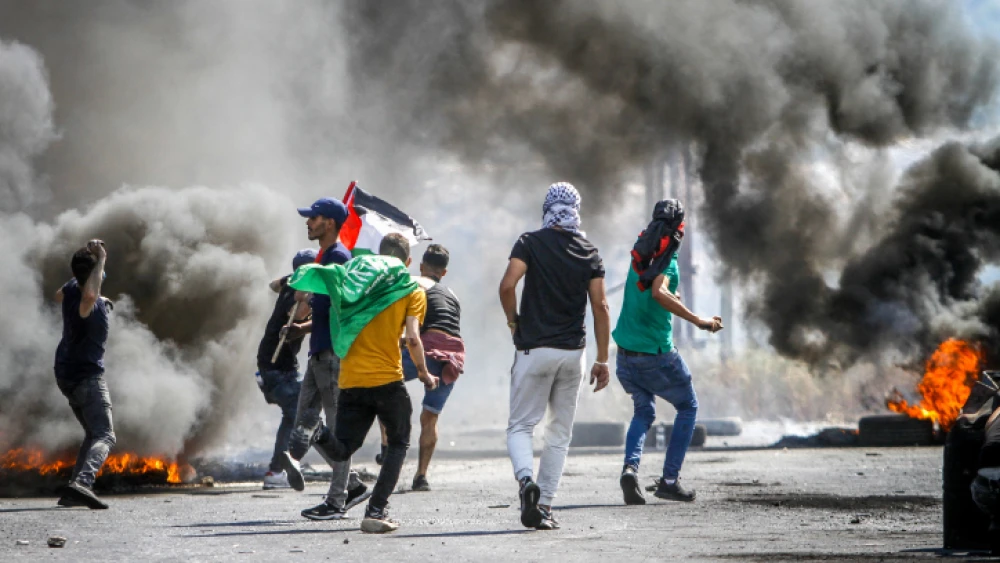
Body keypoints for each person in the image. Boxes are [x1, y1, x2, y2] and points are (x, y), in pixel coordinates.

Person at [295, 233, 438, 534]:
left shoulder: (356, 284)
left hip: (351, 379)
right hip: (387, 381)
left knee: (342, 449)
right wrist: (424, 373)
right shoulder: (411, 289)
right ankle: (376, 510)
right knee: (398, 443)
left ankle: (317, 430)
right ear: (407, 261)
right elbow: (413, 338)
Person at [498, 182, 611, 531]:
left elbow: (507, 286)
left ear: (546, 209)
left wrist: (513, 322)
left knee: (521, 425)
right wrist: (603, 359)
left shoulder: (529, 242)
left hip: (534, 349)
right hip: (573, 354)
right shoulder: (589, 251)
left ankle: (525, 481)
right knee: (559, 433)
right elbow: (601, 306)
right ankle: (544, 506)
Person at [612, 199, 723, 506]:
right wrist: (699, 321)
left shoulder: (640, 253)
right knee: (688, 406)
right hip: (656, 356)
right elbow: (659, 293)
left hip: (625, 355)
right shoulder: (668, 261)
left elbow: (654, 289)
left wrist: (672, 294)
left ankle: (630, 469)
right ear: (679, 229)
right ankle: (670, 481)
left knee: (644, 411)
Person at [279, 198, 369, 520]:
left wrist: (307, 295)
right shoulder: (325, 256)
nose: (308, 222)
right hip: (318, 353)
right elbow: (326, 310)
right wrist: (302, 328)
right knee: (304, 422)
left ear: (329, 222)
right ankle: (353, 484)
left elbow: (343, 307)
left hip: (332, 355)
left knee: (334, 429)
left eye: (313, 217)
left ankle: (336, 500)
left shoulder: (338, 256)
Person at [53, 239, 116, 509]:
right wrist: (101, 258)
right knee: (105, 435)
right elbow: (89, 297)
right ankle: (83, 483)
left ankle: (72, 491)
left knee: (91, 432)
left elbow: (65, 294)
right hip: (86, 377)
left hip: (65, 373)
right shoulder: (87, 302)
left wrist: (97, 291)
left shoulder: (69, 290)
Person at [397, 244, 465, 492]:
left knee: (382, 382)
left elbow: (409, 325)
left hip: (427, 347)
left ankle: (385, 448)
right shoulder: (453, 295)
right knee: (430, 417)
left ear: (421, 266)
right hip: (453, 356)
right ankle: (421, 476)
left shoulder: (416, 283)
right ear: (444, 272)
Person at [255, 249, 316, 490]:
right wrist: (312, 296)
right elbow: (297, 314)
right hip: (277, 368)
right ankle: (278, 470)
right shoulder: (300, 294)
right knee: (302, 413)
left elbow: (273, 285)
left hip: (276, 366)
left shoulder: (291, 282)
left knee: (298, 413)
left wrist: (288, 279)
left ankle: (287, 464)